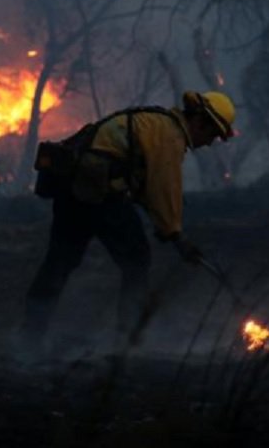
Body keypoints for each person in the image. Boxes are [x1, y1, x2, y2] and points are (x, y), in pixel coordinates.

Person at [23, 90, 235, 351]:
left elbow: (143, 185)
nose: (210, 142)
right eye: (213, 134)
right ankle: (129, 340)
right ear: (200, 121)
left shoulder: (156, 123)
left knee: (59, 264)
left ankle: (28, 338)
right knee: (137, 260)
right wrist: (176, 235)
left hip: (74, 191)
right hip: (99, 194)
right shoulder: (169, 136)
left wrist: (167, 228)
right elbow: (162, 188)